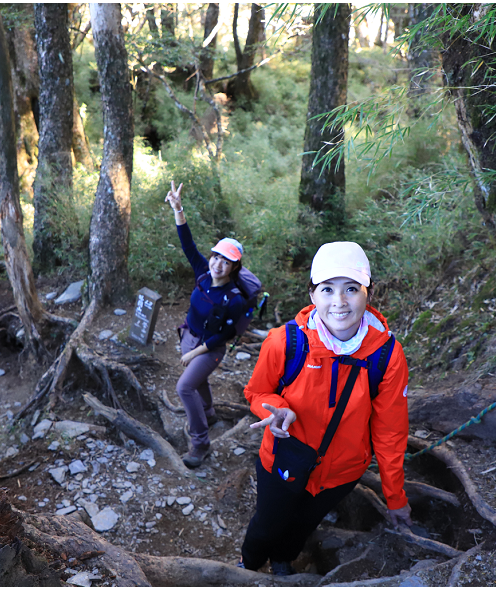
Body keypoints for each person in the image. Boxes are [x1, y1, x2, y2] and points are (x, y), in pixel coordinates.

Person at [239, 241, 412, 575]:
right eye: (327, 289)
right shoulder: (285, 342)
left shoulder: (387, 356)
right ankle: (247, 566)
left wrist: (395, 496)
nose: (339, 301)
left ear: (369, 293)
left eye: (351, 288)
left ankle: (283, 561)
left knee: (304, 524)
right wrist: (274, 408)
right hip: (283, 459)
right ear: (312, 294)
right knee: (266, 523)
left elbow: (391, 433)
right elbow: (256, 392)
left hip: (342, 472)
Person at [165, 181, 246, 468]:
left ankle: (200, 442)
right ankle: (209, 413)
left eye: (226, 262)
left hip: (211, 348)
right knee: (195, 381)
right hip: (189, 334)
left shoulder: (233, 299)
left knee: (184, 388)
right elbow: (187, 244)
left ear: (234, 268)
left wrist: (194, 352)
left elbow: (223, 336)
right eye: (216, 257)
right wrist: (179, 209)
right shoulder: (202, 272)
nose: (218, 264)